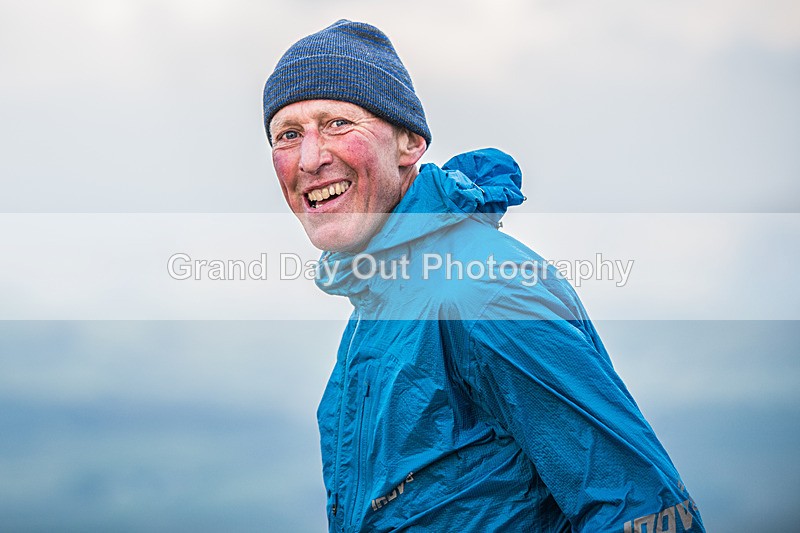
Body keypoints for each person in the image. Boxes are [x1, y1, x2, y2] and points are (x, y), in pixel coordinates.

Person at [263, 19, 705, 532]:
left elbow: (640, 508)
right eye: (288, 134)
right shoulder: (381, 298)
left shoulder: (483, 291)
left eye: (338, 123)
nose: (310, 159)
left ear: (409, 144)